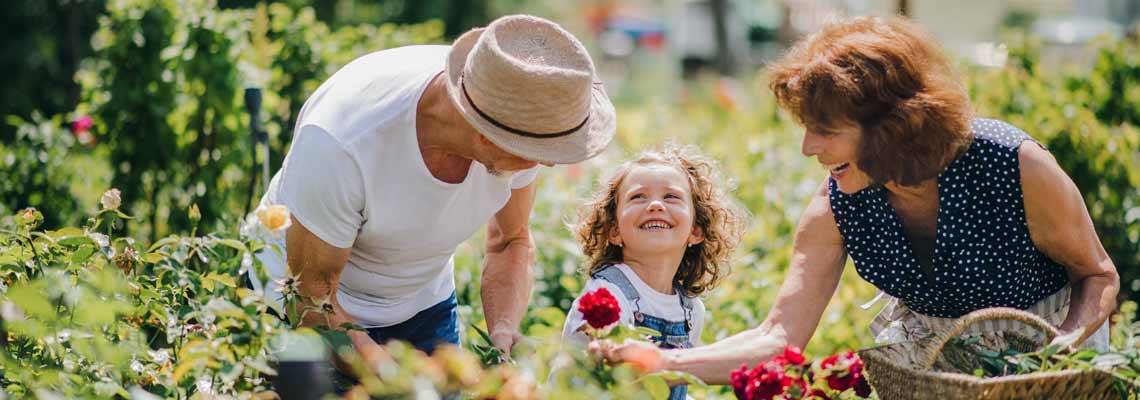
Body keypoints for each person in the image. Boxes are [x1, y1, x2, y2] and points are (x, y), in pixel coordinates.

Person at [598, 16, 1120, 384]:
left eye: (824, 130)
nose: (808, 149)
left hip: (1048, 360)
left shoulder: (1012, 164)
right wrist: (663, 361)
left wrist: (1061, 351)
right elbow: (780, 337)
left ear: (890, 127)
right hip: (935, 369)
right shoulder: (838, 205)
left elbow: (1098, 274)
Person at [251, 14, 617, 360]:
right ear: (486, 135)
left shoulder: (521, 103)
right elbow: (311, 294)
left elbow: (510, 240)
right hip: (303, 305)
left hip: (422, 304)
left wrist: (504, 331)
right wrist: (396, 378)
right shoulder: (342, 143)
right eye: (538, 151)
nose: (548, 162)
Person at [561, 144, 746, 399]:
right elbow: (614, 383)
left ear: (696, 230)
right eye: (638, 197)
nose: (656, 205)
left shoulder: (691, 310)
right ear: (614, 231)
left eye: (671, 196)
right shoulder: (607, 295)